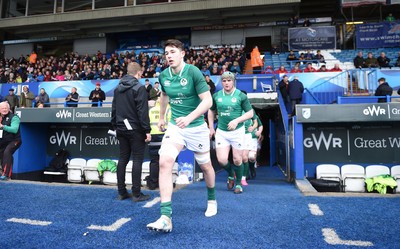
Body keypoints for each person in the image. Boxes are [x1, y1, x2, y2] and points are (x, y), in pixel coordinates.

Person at [146, 39, 217, 233]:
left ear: (182, 53)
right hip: (176, 127)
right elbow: (164, 96)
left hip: (196, 127)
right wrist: (161, 117)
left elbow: (208, 100)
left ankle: (211, 198)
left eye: (172, 52)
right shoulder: (163, 76)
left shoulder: (193, 71)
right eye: (166, 53)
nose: (169, 55)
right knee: (164, 162)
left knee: (206, 166)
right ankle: (165, 216)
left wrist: (190, 117)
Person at [111, 61, 151, 202]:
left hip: (121, 128)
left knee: (123, 159)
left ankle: (121, 192)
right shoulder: (139, 88)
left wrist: (115, 126)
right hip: (135, 130)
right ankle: (136, 194)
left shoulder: (117, 88)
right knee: (137, 159)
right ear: (138, 73)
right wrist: (147, 130)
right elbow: (142, 112)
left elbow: (114, 110)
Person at [208, 71, 254, 194]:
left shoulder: (240, 95)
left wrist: (237, 120)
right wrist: (211, 127)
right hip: (222, 132)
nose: (226, 83)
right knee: (222, 160)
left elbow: (250, 113)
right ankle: (230, 173)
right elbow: (211, 111)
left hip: (237, 132)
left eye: (229, 80)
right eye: (224, 80)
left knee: (237, 160)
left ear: (233, 81)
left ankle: (238, 184)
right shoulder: (216, 95)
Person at [146, 99, 171, 190]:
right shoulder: (168, 109)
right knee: (166, 161)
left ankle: (153, 184)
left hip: (153, 137)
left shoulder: (151, 110)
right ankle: (164, 184)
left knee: (154, 161)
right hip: (165, 137)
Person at [0, 102, 22, 181]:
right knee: (3, 155)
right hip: (3, 141)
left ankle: (6, 175)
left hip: (14, 140)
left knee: (7, 152)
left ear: (9, 109)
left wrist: (3, 126)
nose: (4, 109)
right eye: (2, 108)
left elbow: (14, 129)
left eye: (6, 108)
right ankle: (4, 173)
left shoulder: (14, 117)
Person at [241, 111, 263, 185]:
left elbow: (260, 125)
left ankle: (252, 167)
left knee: (251, 157)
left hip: (253, 138)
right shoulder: (237, 112)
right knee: (244, 157)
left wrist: (259, 132)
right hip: (241, 137)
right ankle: (246, 174)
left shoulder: (253, 114)